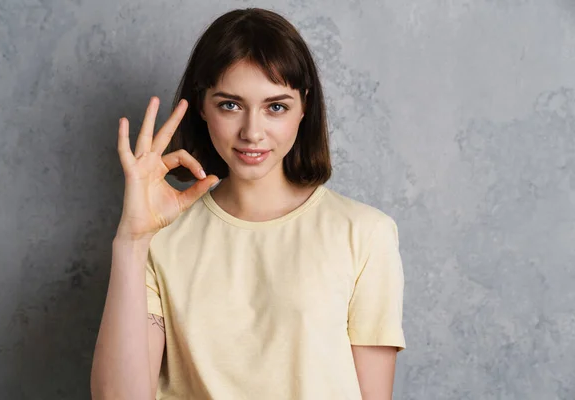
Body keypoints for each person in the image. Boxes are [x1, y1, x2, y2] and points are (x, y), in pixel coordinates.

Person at [91, 7, 406, 400]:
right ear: (202, 105)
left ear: (303, 107)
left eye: (276, 106)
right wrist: (131, 241)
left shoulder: (365, 234)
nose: (252, 132)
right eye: (230, 105)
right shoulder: (160, 239)